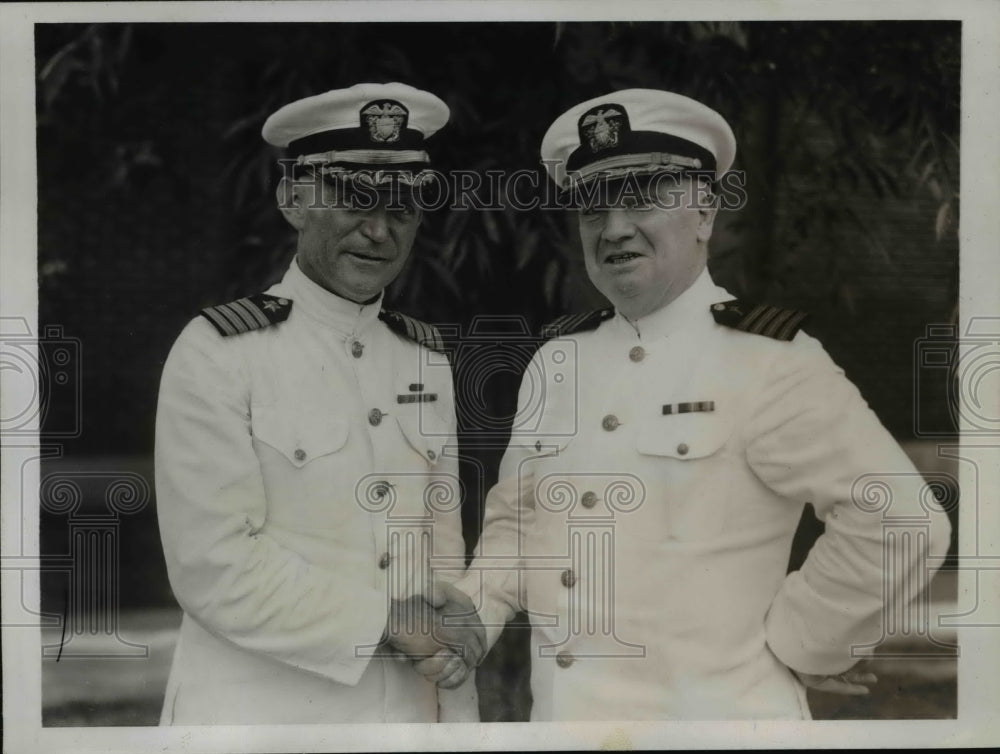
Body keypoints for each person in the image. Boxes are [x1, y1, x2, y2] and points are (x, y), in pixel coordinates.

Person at [451, 89, 952, 720]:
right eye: (593, 207)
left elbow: (899, 520)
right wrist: (475, 610)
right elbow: (516, 530)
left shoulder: (771, 359)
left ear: (705, 211)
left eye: (642, 197)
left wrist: (805, 644)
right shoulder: (558, 362)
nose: (614, 228)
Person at [155, 82, 483, 725]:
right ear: (293, 199)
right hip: (261, 716)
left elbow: (441, 553)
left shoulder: (424, 357)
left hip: (406, 718)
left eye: (403, 205)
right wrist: (384, 622)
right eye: (355, 198)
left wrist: (455, 680)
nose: (378, 229)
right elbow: (212, 565)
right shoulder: (219, 352)